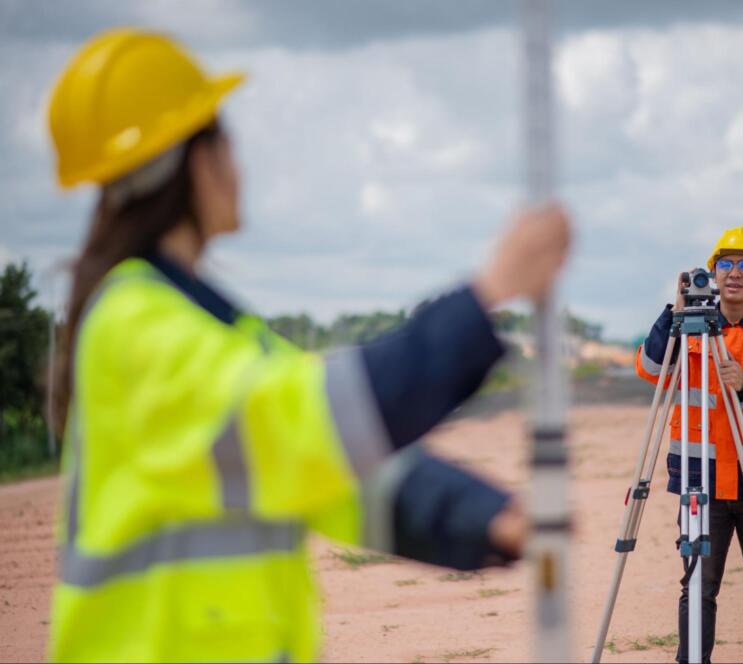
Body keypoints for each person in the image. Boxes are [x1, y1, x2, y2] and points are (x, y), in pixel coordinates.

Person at [46, 29, 571, 663]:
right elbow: (313, 422)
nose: (238, 164)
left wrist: (479, 515)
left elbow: (328, 472)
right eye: (226, 140)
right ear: (189, 161)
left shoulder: (212, 331)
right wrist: (489, 291)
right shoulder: (133, 327)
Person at [635, 227, 743, 664]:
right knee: (697, 583)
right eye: (726, 264)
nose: (735, 273)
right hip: (703, 483)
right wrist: (673, 313)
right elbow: (650, 368)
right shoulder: (688, 329)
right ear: (713, 273)